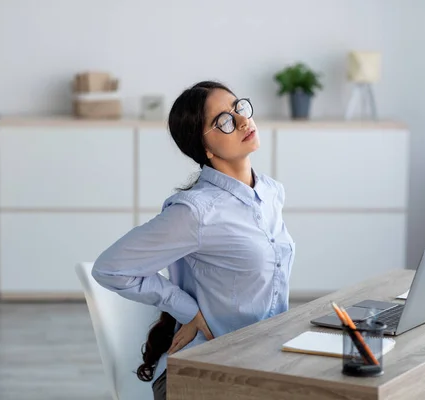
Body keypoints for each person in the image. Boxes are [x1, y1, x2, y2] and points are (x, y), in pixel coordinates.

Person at [91, 80, 295, 400]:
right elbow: (110, 268)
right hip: (201, 371)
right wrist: (187, 309)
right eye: (223, 121)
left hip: (262, 364)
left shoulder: (271, 192)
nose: (242, 120)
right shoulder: (197, 211)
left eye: (237, 107)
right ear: (206, 150)